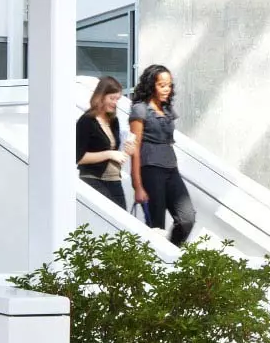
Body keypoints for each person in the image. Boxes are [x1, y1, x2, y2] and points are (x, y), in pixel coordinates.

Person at [129, 65, 196, 246]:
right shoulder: (140, 110)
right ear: (151, 85)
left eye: (169, 85)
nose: (167, 89)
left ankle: (171, 252)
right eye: (162, 85)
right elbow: (134, 148)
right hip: (150, 169)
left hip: (171, 168)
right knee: (156, 225)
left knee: (187, 218)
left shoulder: (167, 110)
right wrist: (137, 185)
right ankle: (155, 264)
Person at [76, 76, 131, 208]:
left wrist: (127, 151)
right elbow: (79, 157)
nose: (115, 103)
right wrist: (109, 154)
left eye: (117, 99)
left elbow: (115, 153)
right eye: (112, 98)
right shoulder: (86, 121)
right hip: (94, 180)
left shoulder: (114, 121)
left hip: (114, 180)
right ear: (100, 97)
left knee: (122, 224)